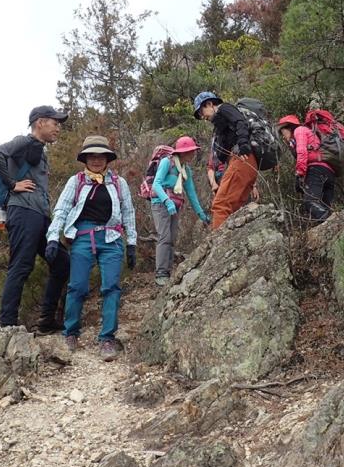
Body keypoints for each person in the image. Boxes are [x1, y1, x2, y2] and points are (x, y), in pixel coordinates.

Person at [45, 135, 137, 362]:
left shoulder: (119, 183)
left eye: (101, 156)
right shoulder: (76, 182)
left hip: (112, 236)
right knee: (77, 286)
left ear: (107, 158)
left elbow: (128, 212)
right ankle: (70, 333)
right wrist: (53, 238)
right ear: (85, 158)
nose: (96, 160)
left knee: (111, 287)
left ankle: (107, 338)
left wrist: (132, 243)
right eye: (91, 156)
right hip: (83, 236)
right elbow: (61, 210)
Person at [0, 105, 70, 332]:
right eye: (55, 123)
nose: (58, 128)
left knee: (62, 262)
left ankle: (46, 320)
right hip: (23, 212)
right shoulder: (23, 141)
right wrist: (12, 184)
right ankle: (8, 325)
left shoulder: (39, 150)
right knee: (21, 265)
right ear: (40, 122)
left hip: (40, 215)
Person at [193, 91, 258, 230]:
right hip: (245, 163)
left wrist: (243, 145)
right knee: (234, 208)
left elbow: (240, 121)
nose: (202, 117)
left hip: (241, 159)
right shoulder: (220, 124)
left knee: (220, 205)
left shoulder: (224, 108)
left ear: (209, 104)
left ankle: (218, 242)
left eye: (201, 111)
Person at [151, 136, 210, 286]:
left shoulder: (185, 170)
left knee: (172, 238)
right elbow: (156, 184)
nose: (193, 154)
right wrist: (167, 201)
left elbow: (191, 193)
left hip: (175, 206)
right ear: (182, 152)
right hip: (160, 204)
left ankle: (168, 272)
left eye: (193, 151)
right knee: (164, 237)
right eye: (190, 151)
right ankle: (161, 273)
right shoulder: (167, 162)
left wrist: (201, 214)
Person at [277, 114, 336, 222]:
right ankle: (335, 225)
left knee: (310, 203)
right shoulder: (306, 132)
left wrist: (299, 174)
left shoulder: (299, 131)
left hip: (316, 170)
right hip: (329, 171)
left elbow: (302, 152)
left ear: (288, 127)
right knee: (325, 206)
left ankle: (332, 222)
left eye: (282, 132)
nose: (283, 136)